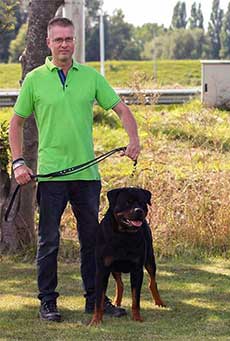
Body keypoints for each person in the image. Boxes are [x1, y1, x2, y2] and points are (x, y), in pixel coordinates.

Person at [8, 17, 140, 322]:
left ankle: (94, 299)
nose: (64, 44)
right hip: (52, 177)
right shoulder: (35, 79)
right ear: (49, 43)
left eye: (69, 39)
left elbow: (121, 109)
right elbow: (16, 122)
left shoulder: (91, 77)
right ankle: (48, 302)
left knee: (92, 241)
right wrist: (18, 161)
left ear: (74, 42)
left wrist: (133, 139)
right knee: (49, 241)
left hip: (87, 178)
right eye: (59, 40)